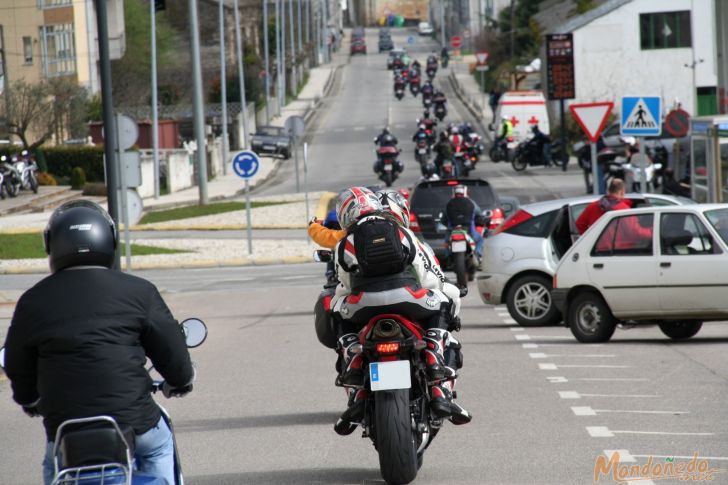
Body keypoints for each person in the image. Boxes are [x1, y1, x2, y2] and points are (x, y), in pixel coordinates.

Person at [2, 200, 195, 485]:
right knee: (158, 446)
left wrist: (30, 399)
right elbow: (174, 354)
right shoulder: (140, 292)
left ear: (51, 244)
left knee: (53, 459)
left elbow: (17, 365)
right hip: (135, 421)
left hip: (65, 428)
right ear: (110, 239)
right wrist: (179, 381)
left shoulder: (32, 301)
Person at [331, 187, 471, 434]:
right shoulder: (404, 233)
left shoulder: (345, 242)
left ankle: (354, 367)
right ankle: (436, 367)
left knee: (338, 314)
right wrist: (444, 291)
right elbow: (428, 273)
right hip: (410, 298)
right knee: (441, 307)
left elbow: (344, 283)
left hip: (363, 304)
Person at [441, 184, 484, 258]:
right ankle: (477, 254)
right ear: (465, 192)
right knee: (480, 239)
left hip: (452, 231)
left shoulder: (449, 203)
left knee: (447, 243)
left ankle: (447, 256)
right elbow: (479, 214)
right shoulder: (471, 203)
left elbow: (443, 219)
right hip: (469, 232)